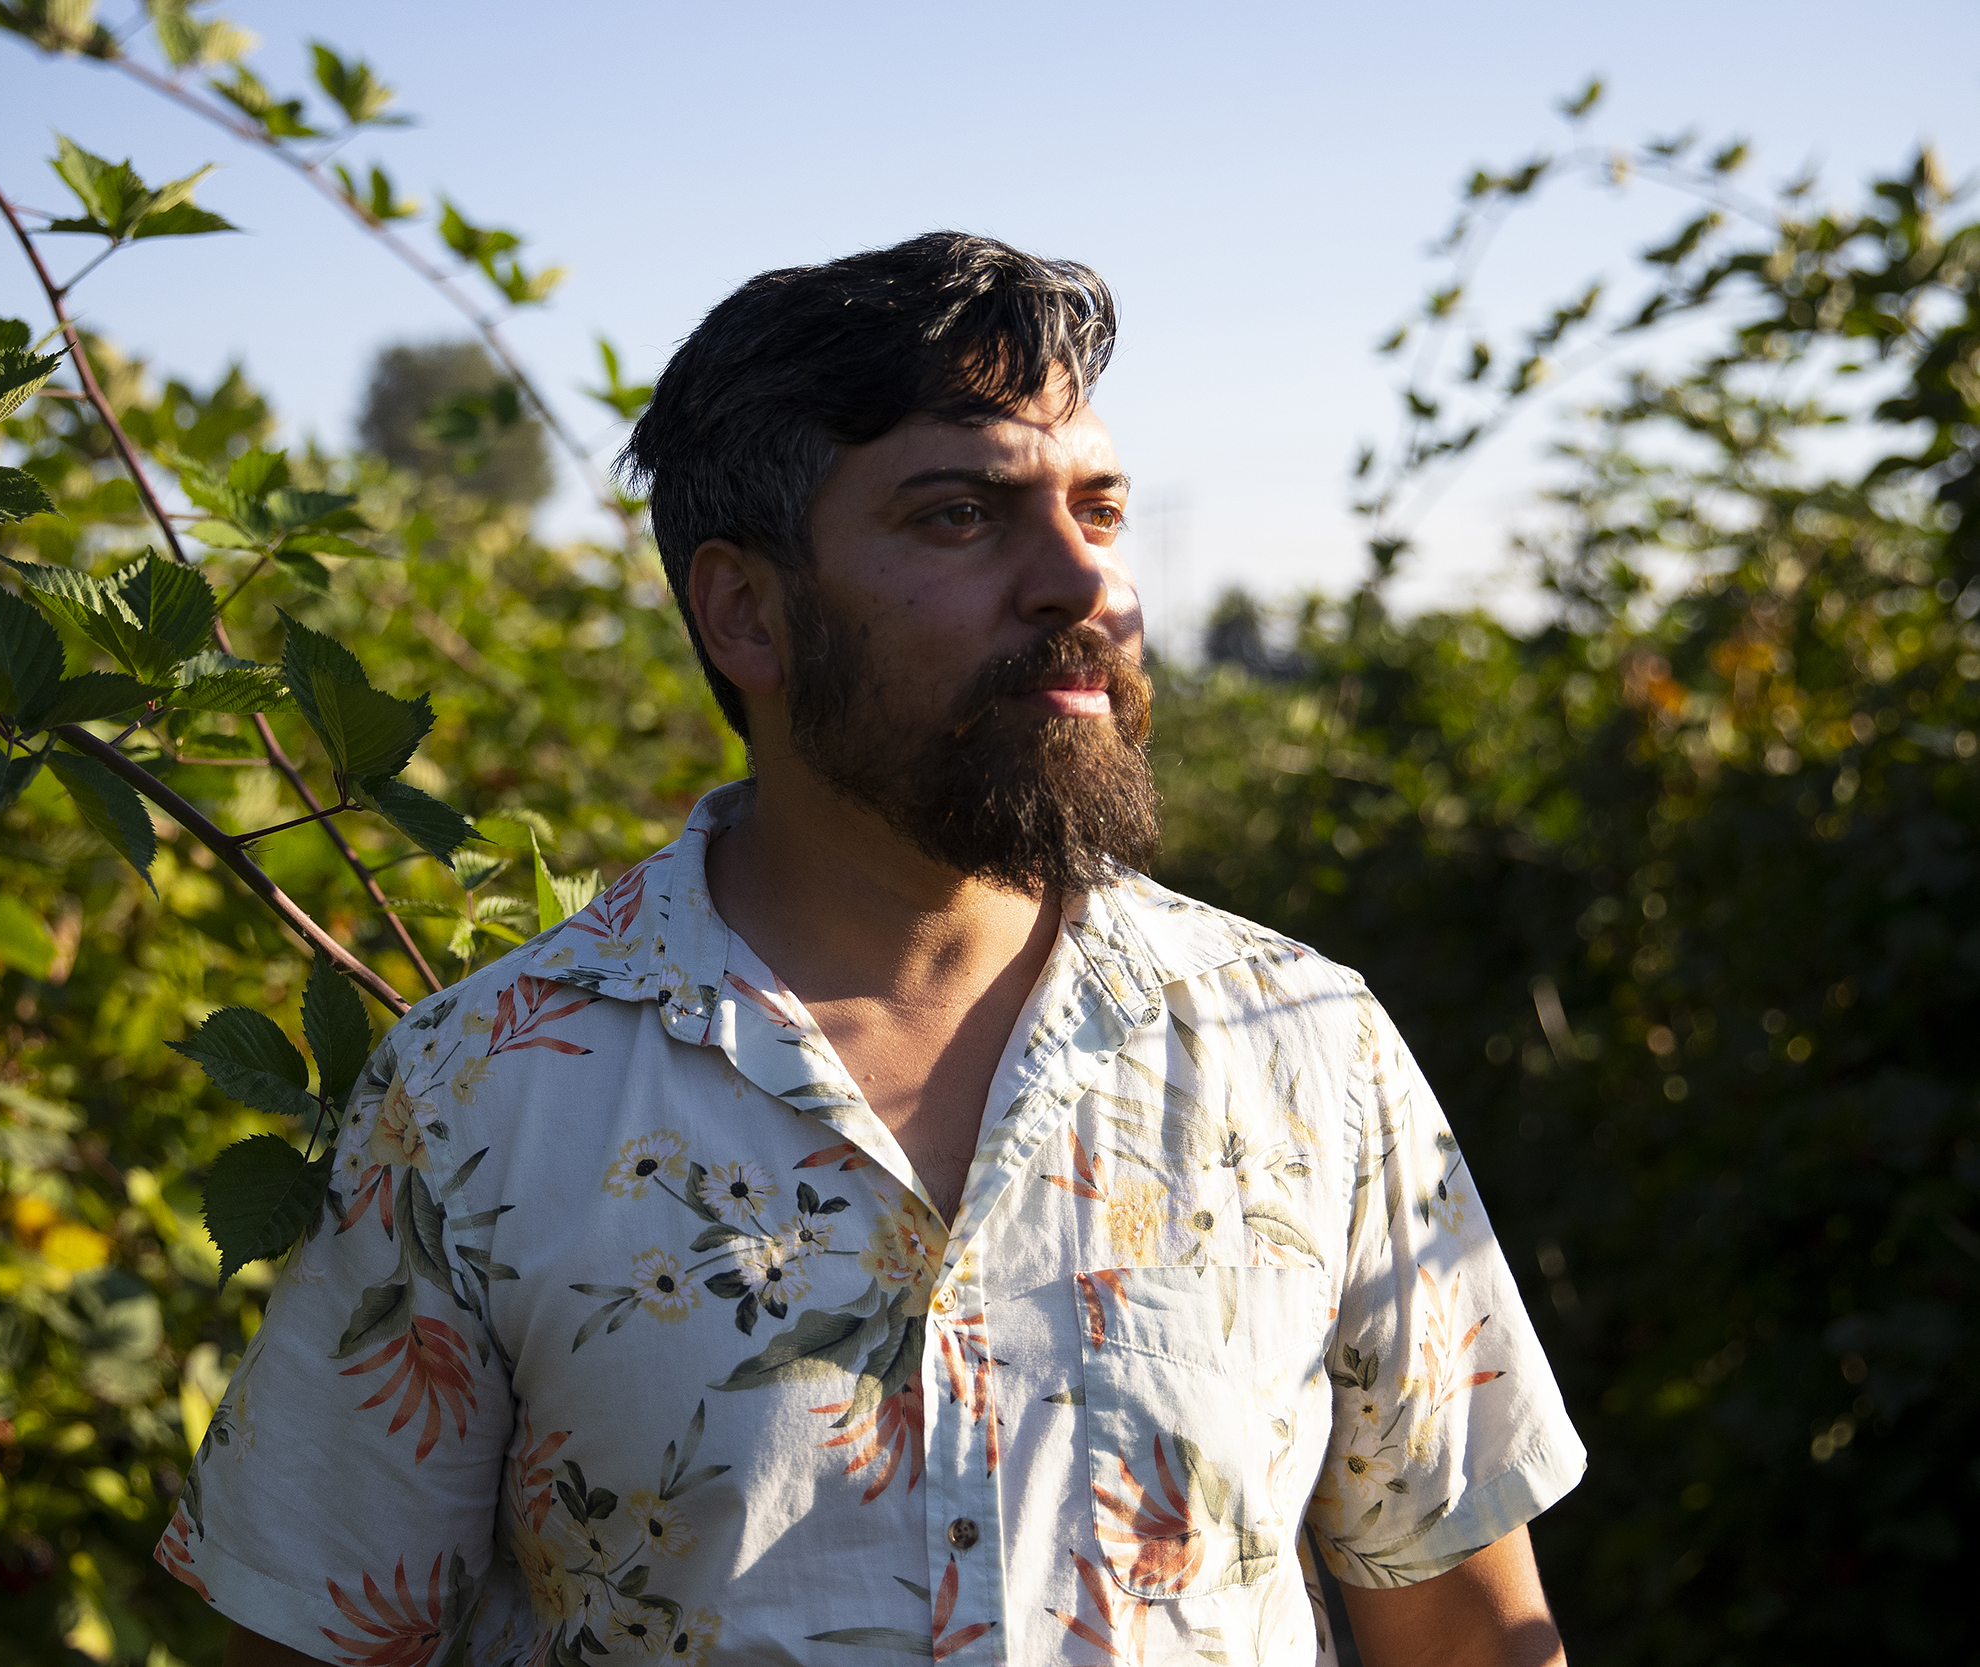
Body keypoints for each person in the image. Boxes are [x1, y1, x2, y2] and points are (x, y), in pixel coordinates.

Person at [158, 232, 1584, 1667]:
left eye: (1098, 511)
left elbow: (1466, 1630)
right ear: (748, 614)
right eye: (961, 515)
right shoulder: (485, 1095)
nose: (1075, 582)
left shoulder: (1302, 1047)